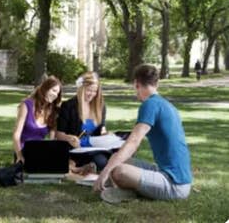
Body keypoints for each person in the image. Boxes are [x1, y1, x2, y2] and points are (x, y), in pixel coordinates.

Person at [93, 64, 192, 203]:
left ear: (136, 84)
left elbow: (133, 142)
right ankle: (127, 189)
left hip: (174, 184)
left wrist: (105, 171)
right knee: (117, 158)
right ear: (156, 83)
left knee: (119, 171)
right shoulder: (165, 104)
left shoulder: (150, 105)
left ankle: (128, 193)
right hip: (166, 172)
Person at [56, 71, 109, 173]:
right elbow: (59, 134)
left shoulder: (100, 107)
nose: (92, 94)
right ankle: (77, 167)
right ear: (81, 88)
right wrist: (69, 138)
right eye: (89, 90)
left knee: (102, 162)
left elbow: (102, 128)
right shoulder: (68, 106)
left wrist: (106, 135)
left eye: (95, 91)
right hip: (74, 148)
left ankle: (78, 167)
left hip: (93, 149)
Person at [12, 75, 63, 163]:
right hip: (24, 149)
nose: (55, 95)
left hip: (40, 150)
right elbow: (16, 135)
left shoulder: (53, 111)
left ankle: (76, 172)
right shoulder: (26, 105)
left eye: (57, 93)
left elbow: (52, 138)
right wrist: (19, 155)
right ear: (45, 88)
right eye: (53, 90)